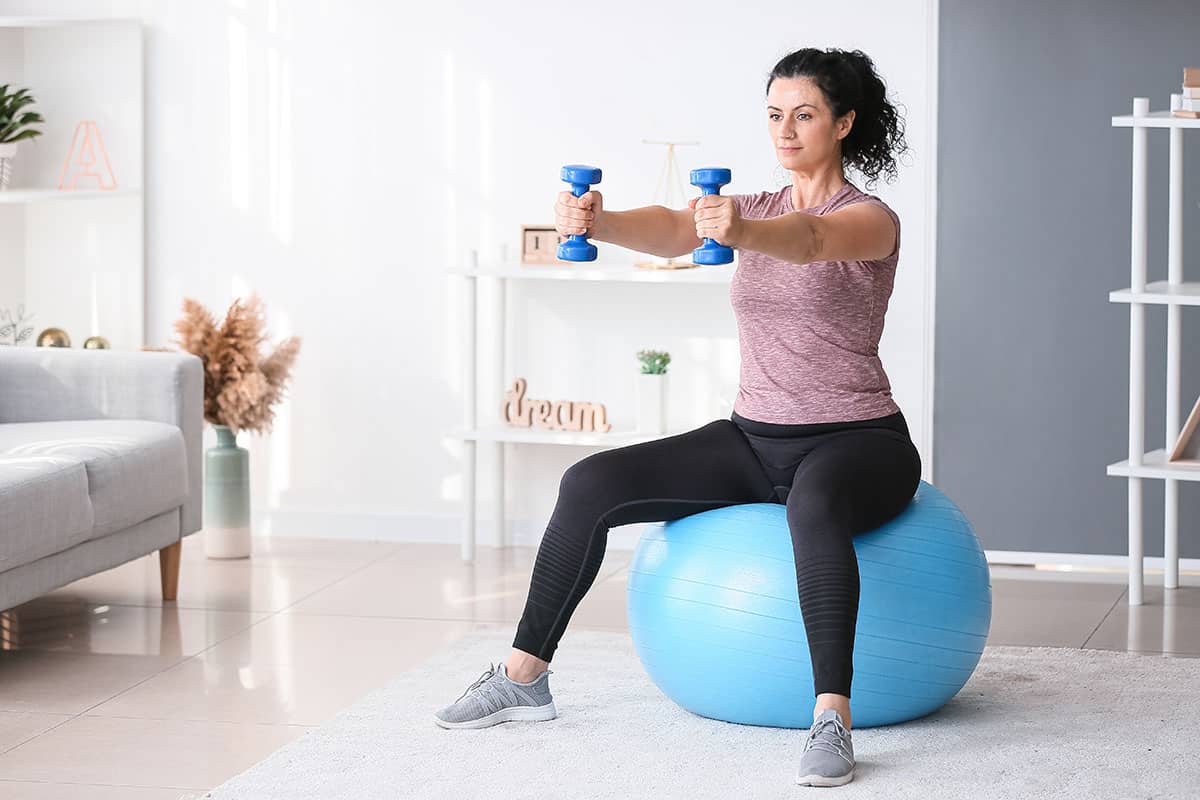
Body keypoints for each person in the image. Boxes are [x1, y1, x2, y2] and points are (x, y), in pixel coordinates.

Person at [434, 46, 918, 790]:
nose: (784, 131)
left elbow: (812, 240)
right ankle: (525, 676)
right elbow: (670, 227)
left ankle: (831, 718)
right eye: (774, 116)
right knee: (589, 481)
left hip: (859, 440)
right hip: (754, 437)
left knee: (815, 506)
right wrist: (599, 221)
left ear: (844, 122)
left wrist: (735, 234)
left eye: (805, 115)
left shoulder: (868, 218)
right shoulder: (747, 208)